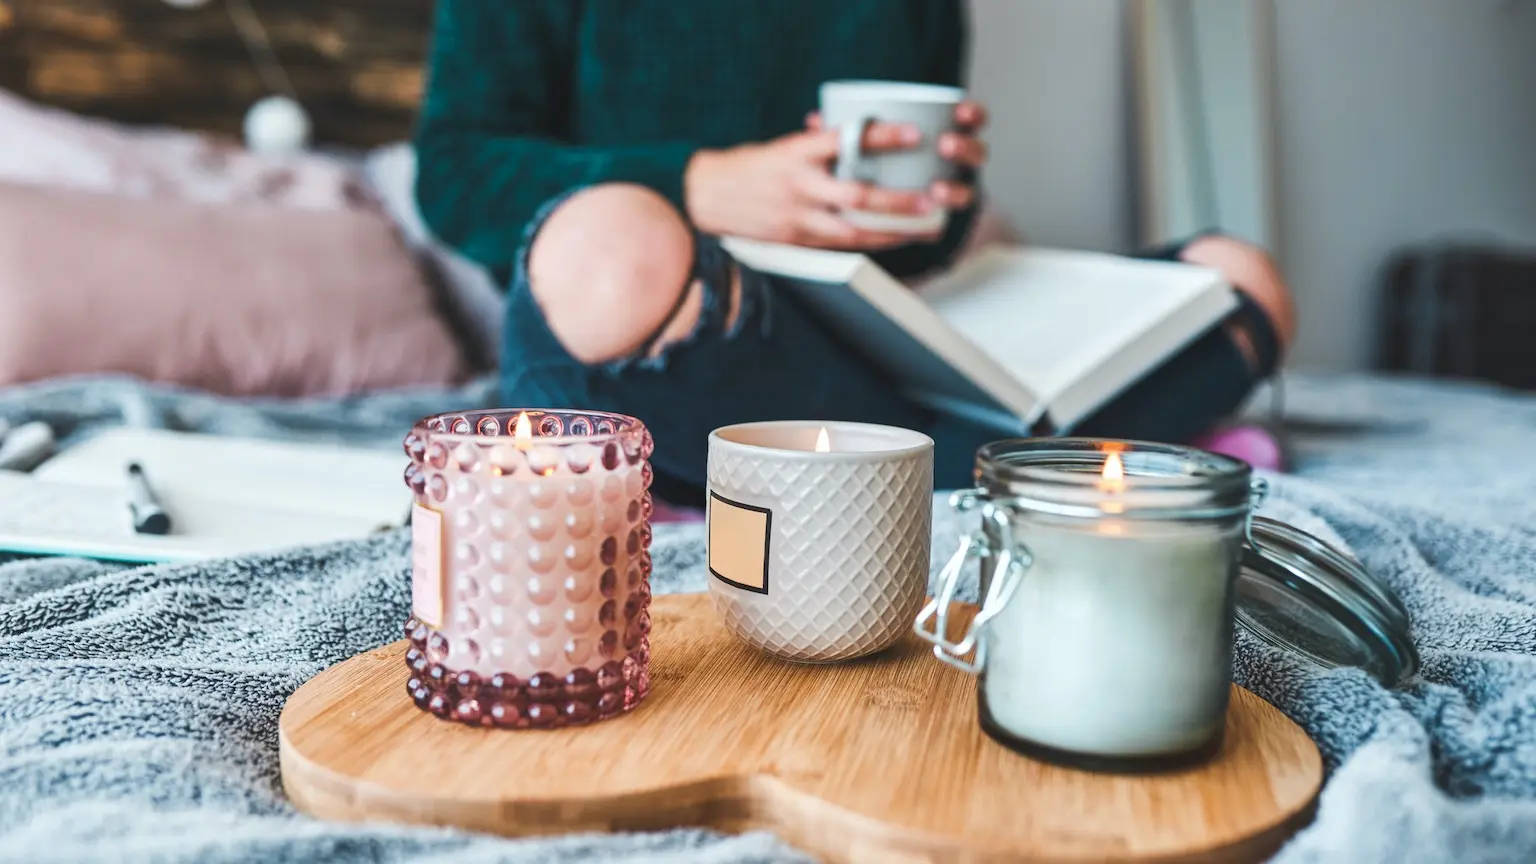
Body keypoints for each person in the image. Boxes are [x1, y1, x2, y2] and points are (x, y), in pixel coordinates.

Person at [415, 0, 1295, 505]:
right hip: (677, 332)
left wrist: (933, 205)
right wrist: (702, 186)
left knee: (1239, 279)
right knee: (611, 244)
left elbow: (926, 244)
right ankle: (1010, 463)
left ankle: (909, 469)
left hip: (855, 337)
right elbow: (453, 175)